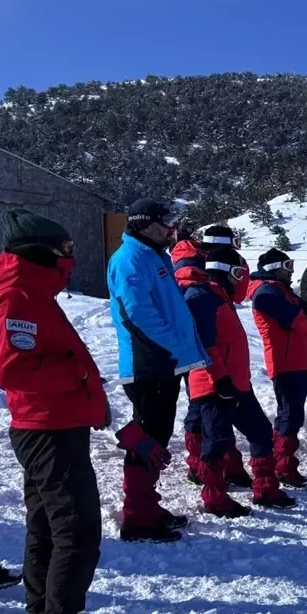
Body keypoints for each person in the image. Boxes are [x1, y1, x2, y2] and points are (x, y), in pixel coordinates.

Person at [0, 208, 117, 614]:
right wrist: (82, 373)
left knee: (47, 526)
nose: (71, 256)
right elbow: (15, 369)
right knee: (76, 531)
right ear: (38, 251)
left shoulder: (34, 291)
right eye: (64, 249)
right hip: (46, 429)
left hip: (54, 423)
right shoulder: (16, 296)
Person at [108, 198, 208, 542]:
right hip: (149, 364)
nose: (172, 226)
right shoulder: (130, 259)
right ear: (144, 223)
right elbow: (138, 314)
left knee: (156, 436)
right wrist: (172, 347)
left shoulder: (153, 255)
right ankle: (137, 519)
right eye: (166, 220)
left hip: (163, 362)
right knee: (147, 440)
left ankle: (147, 506)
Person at [184, 247, 295, 516]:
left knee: (259, 431)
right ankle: (214, 497)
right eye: (238, 273)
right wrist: (220, 379)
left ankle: (265, 487)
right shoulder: (201, 297)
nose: (241, 279)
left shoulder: (220, 296)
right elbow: (205, 345)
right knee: (216, 442)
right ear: (226, 272)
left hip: (236, 383)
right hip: (213, 385)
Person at [171, 224, 242, 486]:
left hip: (198, 349)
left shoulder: (196, 263)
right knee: (204, 409)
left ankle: (206, 464)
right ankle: (202, 466)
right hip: (198, 352)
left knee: (204, 409)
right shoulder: (193, 267)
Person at [249, 248, 307, 488]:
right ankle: (283, 465)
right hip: (285, 361)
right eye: (287, 265)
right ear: (274, 268)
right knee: (290, 415)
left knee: (292, 413)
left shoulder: (281, 291)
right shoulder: (268, 292)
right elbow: (304, 322)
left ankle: (284, 463)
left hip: (296, 359)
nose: (291, 271)